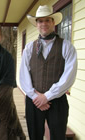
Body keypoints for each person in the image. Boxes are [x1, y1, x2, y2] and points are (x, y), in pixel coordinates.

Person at [20, 5, 77, 140]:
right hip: (34, 101)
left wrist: (47, 96)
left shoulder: (66, 46)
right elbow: (23, 75)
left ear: (53, 22)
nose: (43, 24)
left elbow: (69, 76)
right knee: (35, 136)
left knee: (58, 136)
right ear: (37, 24)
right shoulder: (29, 48)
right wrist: (36, 97)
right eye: (40, 21)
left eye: (47, 20)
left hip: (57, 101)